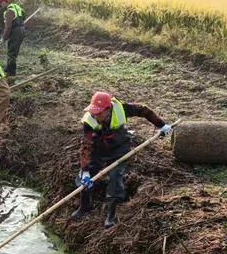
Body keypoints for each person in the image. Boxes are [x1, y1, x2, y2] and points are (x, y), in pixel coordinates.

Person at [71, 91, 172, 229]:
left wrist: (161, 125)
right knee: (85, 177)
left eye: (99, 113)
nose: (96, 115)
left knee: (115, 177)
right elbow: (86, 146)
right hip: (98, 148)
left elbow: (143, 110)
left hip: (119, 148)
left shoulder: (121, 108)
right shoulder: (89, 120)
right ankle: (85, 206)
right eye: (94, 112)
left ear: (108, 109)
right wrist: (85, 171)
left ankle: (111, 214)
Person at [0, 0, 25, 76]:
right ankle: (9, 68)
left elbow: (8, 27)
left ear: (6, 1)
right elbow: (23, 15)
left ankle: (11, 72)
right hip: (21, 29)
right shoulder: (16, 7)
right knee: (13, 50)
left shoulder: (9, 11)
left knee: (11, 52)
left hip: (16, 31)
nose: (0, 4)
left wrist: (4, 38)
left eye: (1, 2)